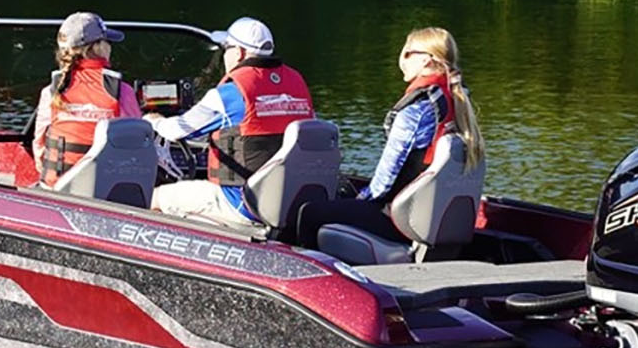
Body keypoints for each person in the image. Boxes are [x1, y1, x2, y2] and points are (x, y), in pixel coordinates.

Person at [293, 26, 485, 248]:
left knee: (308, 213)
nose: (401, 60)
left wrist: (359, 200)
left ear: (425, 61)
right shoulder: (457, 103)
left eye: (406, 53)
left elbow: (384, 182)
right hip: (433, 217)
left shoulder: (416, 111)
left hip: (399, 220)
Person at [149, 16, 315, 226]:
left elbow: (177, 130)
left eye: (226, 48)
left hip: (241, 206)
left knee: (156, 197)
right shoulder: (297, 84)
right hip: (290, 201)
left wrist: (153, 121)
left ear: (239, 53)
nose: (224, 54)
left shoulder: (231, 93)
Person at [32, 11, 142, 186]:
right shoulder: (121, 90)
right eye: (107, 41)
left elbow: (39, 148)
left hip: (56, 188)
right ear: (98, 47)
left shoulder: (52, 90)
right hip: (104, 192)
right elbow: (138, 143)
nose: (110, 47)